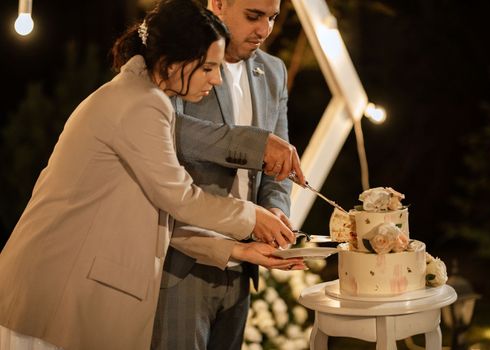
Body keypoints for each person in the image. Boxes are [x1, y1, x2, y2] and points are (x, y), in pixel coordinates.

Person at [0, 1, 302, 349]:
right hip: (59, 287)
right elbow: (181, 198)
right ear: (173, 62)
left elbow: (163, 211)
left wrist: (238, 251)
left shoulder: (141, 94)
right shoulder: (143, 102)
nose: (216, 79)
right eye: (207, 68)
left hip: (68, 289)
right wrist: (252, 218)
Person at [152, 1, 303, 349]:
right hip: (182, 263)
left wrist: (277, 211)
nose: (264, 30)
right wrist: (256, 145)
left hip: (244, 269)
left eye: (272, 18)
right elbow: (168, 131)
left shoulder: (274, 71)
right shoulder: (181, 61)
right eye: (254, 16)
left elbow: (277, 169)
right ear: (218, 3)